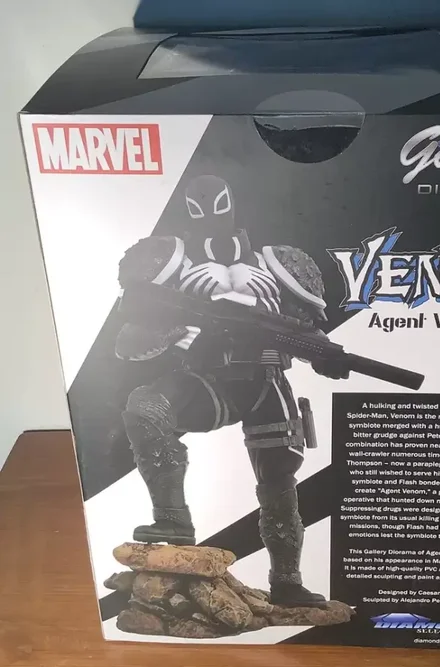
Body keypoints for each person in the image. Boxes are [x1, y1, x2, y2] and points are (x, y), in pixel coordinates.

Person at [115, 175, 347, 607]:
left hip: (266, 380)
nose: (210, 214)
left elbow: (307, 327)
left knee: (279, 480)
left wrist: (325, 353)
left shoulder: (277, 262)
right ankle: (172, 519)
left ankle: (287, 582)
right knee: (146, 407)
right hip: (206, 380)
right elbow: (129, 342)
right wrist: (180, 328)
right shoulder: (170, 263)